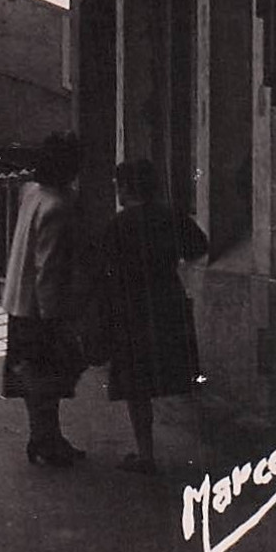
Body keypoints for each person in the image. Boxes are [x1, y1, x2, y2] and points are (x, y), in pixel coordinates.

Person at [96, 159, 208, 475]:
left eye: (119, 185)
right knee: (179, 376)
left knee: (137, 386)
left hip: (131, 307)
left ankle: (146, 454)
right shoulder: (170, 216)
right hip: (166, 303)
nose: (117, 191)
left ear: (128, 187)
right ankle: (198, 456)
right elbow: (199, 248)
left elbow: (104, 270)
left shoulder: (118, 225)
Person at [1, 131, 86, 468]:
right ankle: (46, 439)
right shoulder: (58, 206)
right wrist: (56, 318)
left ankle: (44, 437)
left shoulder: (31, 193)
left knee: (36, 375)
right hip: (40, 308)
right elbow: (47, 267)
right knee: (50, 375)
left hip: (18, 302)